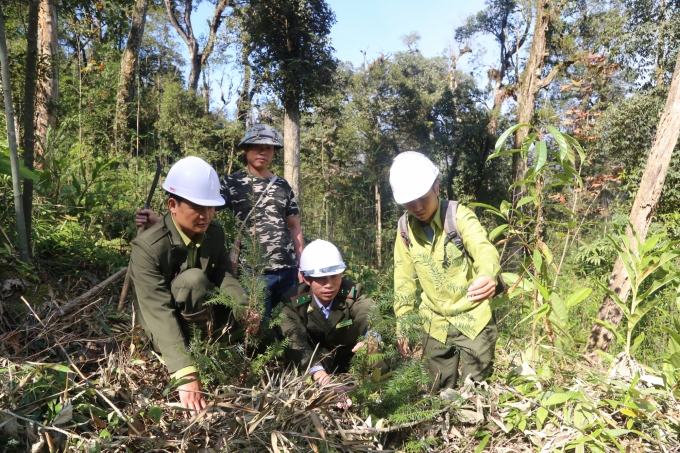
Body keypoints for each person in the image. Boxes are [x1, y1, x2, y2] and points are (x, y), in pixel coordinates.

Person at [137, 124, 303, 318]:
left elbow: (294, 226)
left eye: (268, 148)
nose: (263, 152)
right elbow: (199, 210)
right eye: (257, 146)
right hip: (254, 271)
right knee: (257, 325)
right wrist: (158, 221)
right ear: (246, 149)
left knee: (291, 322)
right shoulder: (232, 183)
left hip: (288, 269)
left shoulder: (283, 185)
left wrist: (303, 265)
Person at [130, 156, 252, 413]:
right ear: (172, 205)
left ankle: (216, 348)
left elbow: (224, 275)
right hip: (162, 329)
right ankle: (198, 353)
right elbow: (158, 311)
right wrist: (185, 372)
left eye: (211, 208)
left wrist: (243, 306)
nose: (206, 215)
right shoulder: (147, 248)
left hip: (202, 319)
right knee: (193, 280)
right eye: (198, 207)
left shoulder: (214, 233)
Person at [389, 151, 501, 390]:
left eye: (423, 198)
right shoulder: (404, 230)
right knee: (436, 391)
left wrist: (486, 274)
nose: (417, 207)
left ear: (436, 188)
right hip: (435, 321)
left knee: (476, 389)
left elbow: (483, 248)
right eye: (409, 202)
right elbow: (404, 280)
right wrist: (404, 322)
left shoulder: (458, 216)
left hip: (473, 315)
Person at [279, 239, 387, 402]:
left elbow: (367, 311)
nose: (329, 285)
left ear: (342, 274)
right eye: (321, 278)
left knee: (380, 361)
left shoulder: (353, 292)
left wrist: (372, 337)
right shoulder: (293, 302)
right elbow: (295, 342)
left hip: (352, 357)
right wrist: (319, 374)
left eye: (334, 276)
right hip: (318, 360)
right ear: (307, 279)